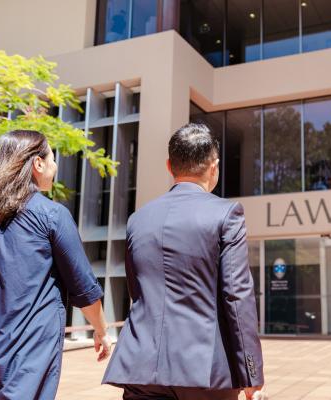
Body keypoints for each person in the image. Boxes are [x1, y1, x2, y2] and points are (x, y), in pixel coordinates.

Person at [0, 130, 112, 399]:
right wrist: (102, 330)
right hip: (28, 356)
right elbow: (84, 288)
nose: (54, 165)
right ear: (37, 164)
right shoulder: (51, 215)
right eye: (51, 158)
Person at [102, 123, 264, 400]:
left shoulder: (138, 219)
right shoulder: (226, 214)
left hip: (141, 364)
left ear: (169, 166)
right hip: (204, 369)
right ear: (214, 166)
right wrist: (251, 372)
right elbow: (236, 296)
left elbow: (137, 290)